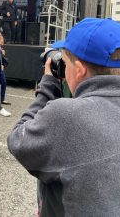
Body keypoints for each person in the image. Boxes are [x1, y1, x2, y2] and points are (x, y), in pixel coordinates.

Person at [7, 17, 120, 216]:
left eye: (65, 62)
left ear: (79, 70)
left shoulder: (67, 116)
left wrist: (48, 84)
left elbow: (18, 140)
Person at [0, 35, 11, 105]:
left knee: (4, 82)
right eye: (1, 39)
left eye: (2, 39)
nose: (2, 41)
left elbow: (2, 59)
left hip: (0, 69)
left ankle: (2, 99)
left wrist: (2, 65)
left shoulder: (1, 49)